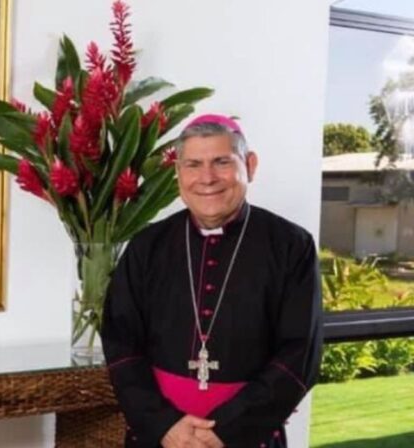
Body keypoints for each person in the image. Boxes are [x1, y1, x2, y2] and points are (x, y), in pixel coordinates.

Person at [101, 114, 323, 448]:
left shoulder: (291, 246)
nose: (206, 178)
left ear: (249, 165)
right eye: (193, 164)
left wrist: (225, 432)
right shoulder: (147, 245)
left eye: (221, 162)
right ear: (178, 174)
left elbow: (300, 353)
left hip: (248, 437)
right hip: (160, 437)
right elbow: (121, 344)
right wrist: (165, 426)